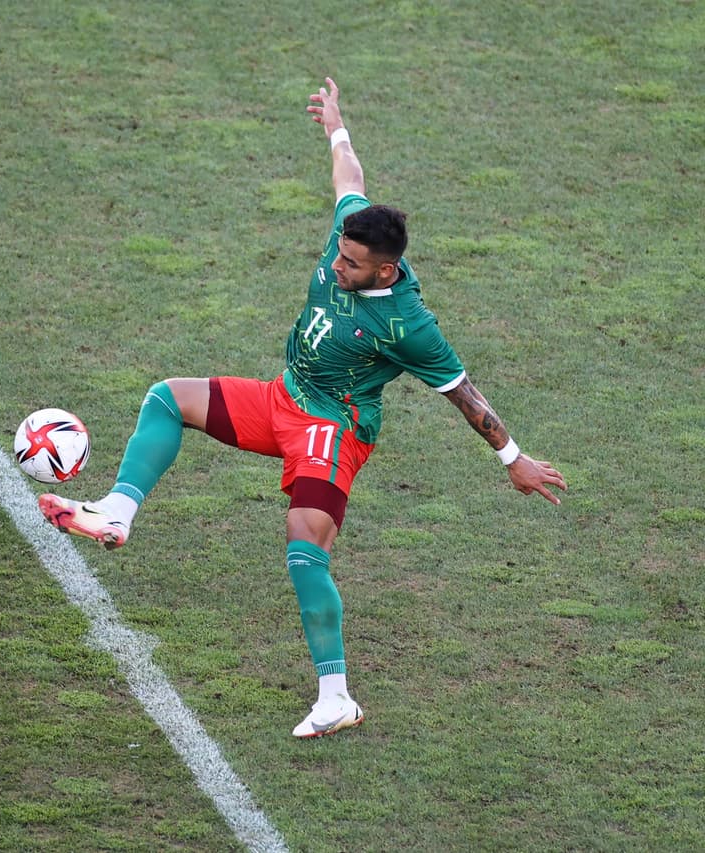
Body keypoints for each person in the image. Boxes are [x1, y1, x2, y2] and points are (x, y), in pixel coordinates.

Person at [39, 78, 567, 739]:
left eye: (350, 264)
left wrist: (513, 459)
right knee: (167, 398)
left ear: (382, 272)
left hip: (333, 426)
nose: (336, 265)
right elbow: (351, 175)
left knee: (303, 550)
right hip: (282, 396)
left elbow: (465, 393)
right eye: (339, 253)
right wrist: (335, 127)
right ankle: (117, 512)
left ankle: (336, 695)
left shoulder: (409, 326)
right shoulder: (353, 231)